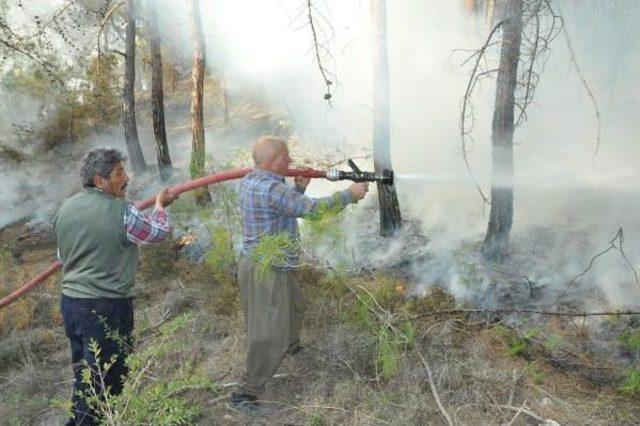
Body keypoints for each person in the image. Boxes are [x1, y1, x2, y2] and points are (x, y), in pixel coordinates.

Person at [231, 136, 369, 413]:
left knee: (295, 304)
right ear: (272, 161)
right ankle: (246, 393)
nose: (291, 161)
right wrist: (349, 195)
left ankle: (290, 346)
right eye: (286, 157)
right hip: (266, 269)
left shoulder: (253, 180)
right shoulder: (271, 188)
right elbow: (314, 212)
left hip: (267, 263)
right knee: (266, 332)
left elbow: (280, 211)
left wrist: (298, 189)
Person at [54, 148, 177, 425]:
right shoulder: (122, 210)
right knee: (106, 380)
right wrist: (160, 206)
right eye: (120, 173)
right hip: (106, 307)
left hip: (72, 304)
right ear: (100, 180)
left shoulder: (66, 208)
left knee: (85, 374)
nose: (127, 177)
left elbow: (62, 257)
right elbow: (157, 234)